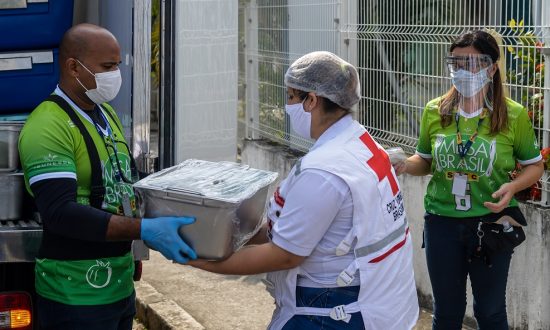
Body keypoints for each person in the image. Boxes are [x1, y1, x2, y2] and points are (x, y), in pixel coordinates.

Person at [186, 51, 419, 329]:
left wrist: (199, 261)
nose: (287, 106)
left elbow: (285, 254)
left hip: (330, 312)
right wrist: (225, 238)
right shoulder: (361, 142)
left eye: (291, 97)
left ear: (312, 100)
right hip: (377, 301)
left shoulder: (323, 171)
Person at [18, 23, 196, 330]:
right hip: (74, 294)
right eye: (107, 66)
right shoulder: (48, 125)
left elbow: (122, 181)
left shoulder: (105, 113)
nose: (116, 75)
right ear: (74, 67)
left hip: (119, 285)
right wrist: (144, 228)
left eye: (118, 65)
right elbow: (59, 213)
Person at [395, 30, 544, 329]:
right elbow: (424, 161)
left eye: (472, 63)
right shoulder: (435, 111)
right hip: (442, 223)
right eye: (457, 63)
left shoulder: (512, 116)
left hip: (491, 225)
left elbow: (535, 167)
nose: (463, 71)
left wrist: (513, 186)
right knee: (447, 313)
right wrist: (403, 165)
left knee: (489, 313)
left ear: (491, 68)